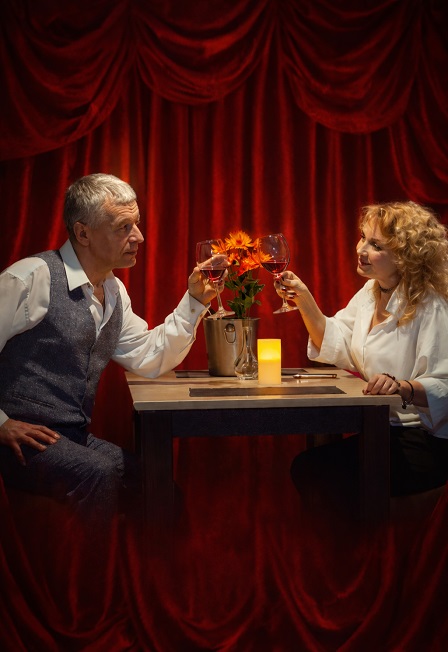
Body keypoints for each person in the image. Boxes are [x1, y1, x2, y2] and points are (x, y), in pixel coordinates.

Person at [0, 173, 217, 526]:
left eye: (137, 224)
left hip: (70, 437)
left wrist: (195, 301)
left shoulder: (114, 291)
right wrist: (2, 424)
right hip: (16, 442)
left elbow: (148, 356)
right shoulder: (31, 277)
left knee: (158, 483)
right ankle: (90, 566)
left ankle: (153, 563)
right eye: (123, 227)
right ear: (83, 233)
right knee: (97, 474)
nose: (139, 237)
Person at [277, 201, 448, 521]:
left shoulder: (431, 304)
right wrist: (303, 298)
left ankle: (369, 546)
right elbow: (336, 338)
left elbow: (445, 385)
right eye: (362, 238)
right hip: (381, 430)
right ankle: (355, 548)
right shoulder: (371, 292)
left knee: (316, 473)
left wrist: (402, 387)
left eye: (376, 245)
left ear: (406, 256)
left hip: (425, 442)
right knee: (309, 469)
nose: (361, 249)